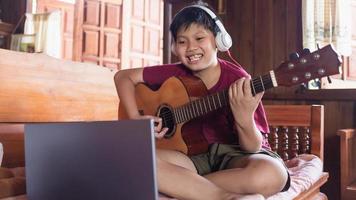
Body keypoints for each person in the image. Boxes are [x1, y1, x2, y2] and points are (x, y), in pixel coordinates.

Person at [114, 1, 289, 200]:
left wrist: (244, 118)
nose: (191, 48)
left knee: (273, 174)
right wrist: (135, 116)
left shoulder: (239, 80)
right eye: (182, 41)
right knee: (132, 158)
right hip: (189, 156)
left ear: (219, 40)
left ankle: (182, 186)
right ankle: (225, 197)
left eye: (199, 38)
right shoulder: (174, 73)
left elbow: (252, 148)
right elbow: (122, 77)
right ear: (174, 46)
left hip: (235, 155)